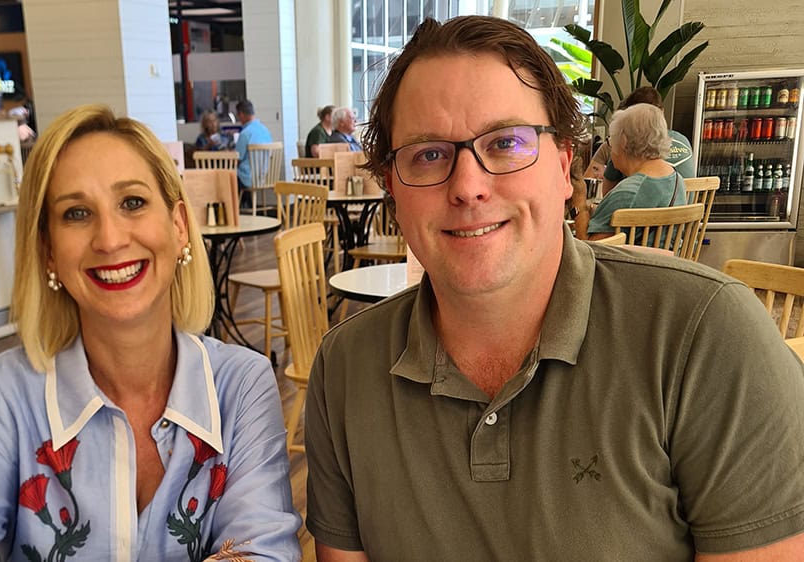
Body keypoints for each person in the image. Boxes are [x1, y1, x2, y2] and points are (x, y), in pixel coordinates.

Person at [305, 15, 804, 561]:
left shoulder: (707, 339)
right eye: (428, 154)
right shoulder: (345, 370)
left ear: (566, 165)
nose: (468, 186)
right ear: (393, 189)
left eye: (506, 142)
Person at [0, 104, 302, 562]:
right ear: (47, 250)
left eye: (132, 203)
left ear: (179, 226)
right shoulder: (5, 394)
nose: (109, 238)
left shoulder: (241, 385)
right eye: (77, 213)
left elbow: (264, 551)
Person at [576, 103, 686, 241]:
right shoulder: (676, 179)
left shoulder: (627, 193)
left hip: (630, 262)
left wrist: (579, 203)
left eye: (611, 141)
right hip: (667, 261)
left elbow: (590, 251)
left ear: (623, 142)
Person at [584, 86, 694, 189]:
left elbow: (607, 192)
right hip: (687, 207)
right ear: (662, 111)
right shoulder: (683, 140)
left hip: (641, 207)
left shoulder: (625, 146)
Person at [233, 99, 273, 196]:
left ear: (241, 114)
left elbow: (236, 159)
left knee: (227, 176)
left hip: (248, 179)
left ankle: (233, 209)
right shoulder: (265, 130)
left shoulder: (245, 134)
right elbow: (271, 155)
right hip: (265, 177)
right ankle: (247, 204)